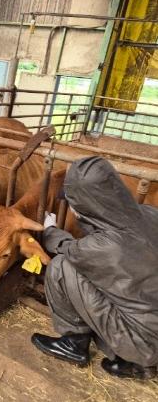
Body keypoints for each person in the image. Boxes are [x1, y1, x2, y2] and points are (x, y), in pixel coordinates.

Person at [31, 156, 158, 380]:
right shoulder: (150, 214)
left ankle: (74, 342)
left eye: (73, 202)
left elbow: (69, 249)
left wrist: (49, 229)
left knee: (62, 266)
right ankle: (136, 364)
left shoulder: (104, 246)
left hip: (143, 342)